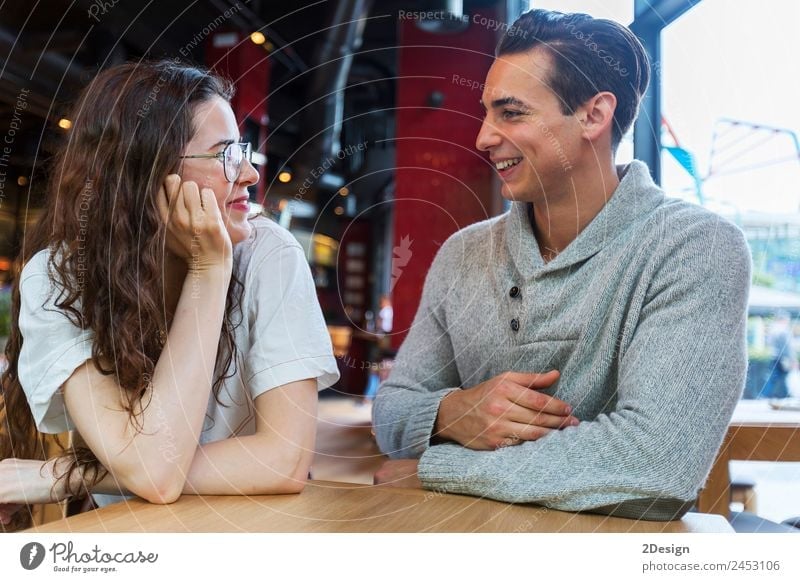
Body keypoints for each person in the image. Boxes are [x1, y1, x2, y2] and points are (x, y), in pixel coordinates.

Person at [372, 9, 751, 520]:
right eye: (486, 112)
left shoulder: (696, 248)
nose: (483, 137)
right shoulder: (463, 254)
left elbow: (657, 461)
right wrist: (450, 413)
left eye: (511, 113)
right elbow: (393, 408)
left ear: (594, 116)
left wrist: (433, 470)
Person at [0, 61, 339, 530]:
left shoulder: (269, 255)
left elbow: (283, 460)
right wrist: (208, 268)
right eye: (224, 155)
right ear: (145, 174)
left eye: (241, 151)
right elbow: (154, 475)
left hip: (249, 529)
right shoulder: (60, 277)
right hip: (129, 538)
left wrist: (65, 475)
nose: (248, 174)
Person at [762, 312, 796, 398]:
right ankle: (769, 394)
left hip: (774, 355)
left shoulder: (773, 330)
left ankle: (783, 393)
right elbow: (788, 347)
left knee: (776, 376)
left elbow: (768, 343)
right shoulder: (784, 331)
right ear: (783, 320)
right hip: (782, 357)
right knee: (779, 376)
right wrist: (792, 359)